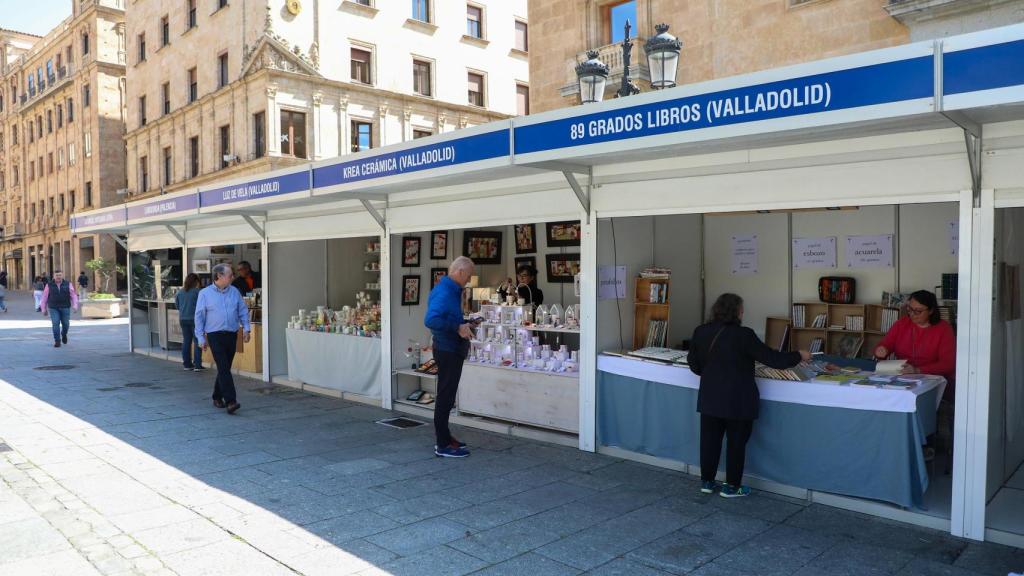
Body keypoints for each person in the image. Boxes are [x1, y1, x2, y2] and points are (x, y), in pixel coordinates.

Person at [688, 293, 810, 498]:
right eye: (741, 309)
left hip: (710, 396)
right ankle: (731, 487)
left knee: (709, 441)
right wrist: (799, 355)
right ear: (736, 312)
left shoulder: (701, 331)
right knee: (736, 444)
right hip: (738, 399)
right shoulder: (744, 335)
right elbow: (774, 359)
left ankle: (707, 482)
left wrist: (712, 375)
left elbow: (694, 364)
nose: (743, 312)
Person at [424, 256, 476, 458]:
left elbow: (447, 316)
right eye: (469, 275)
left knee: (447, 395)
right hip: (447, 349)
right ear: (460, 272)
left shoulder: (449, 290)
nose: (469, 280)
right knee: (445, 396)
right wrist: (457, 327)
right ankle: (442, 444)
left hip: (449, 347)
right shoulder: (445, 292)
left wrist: (464, 323)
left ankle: (445, 437)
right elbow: (431, 319)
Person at [874, 290, 956, 399]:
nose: (912, 314)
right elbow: (886, 343)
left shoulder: (944, 329)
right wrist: (882, 349)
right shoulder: (902, 323)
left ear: (931, 310)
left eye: (918, 311)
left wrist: (917, 370)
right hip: (902, 378)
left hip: (933, 381)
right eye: (910, 309)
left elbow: (948, 364)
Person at [195, 263, 251, 414]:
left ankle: (216, 396)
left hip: (232, 334)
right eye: (230, 275)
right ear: (219, 276)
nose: (233, 277)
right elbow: (199, 316)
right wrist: (200, 337)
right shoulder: (205, 294)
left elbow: (242, 310)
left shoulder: (235, 291)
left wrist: (246, 328)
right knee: (224, 367)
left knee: (224, 367)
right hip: (214, 335)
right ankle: (231, 401)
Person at [40, 271, 79, 348]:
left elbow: (73, 296)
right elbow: (44, 297)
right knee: (55, 323)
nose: (58, 277)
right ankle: (57, 340)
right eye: (57, 275)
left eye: (60, 275)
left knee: (66, 324)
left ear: (62, 276)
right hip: (53, 307)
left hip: (65, 307)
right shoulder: (49, 285)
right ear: (54, 276)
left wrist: (75, 305)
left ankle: (64, 334)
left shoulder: (68, 284)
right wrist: (43, 309)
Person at [175, 273, 204, 372]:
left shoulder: (180, 292)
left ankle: (187, 364)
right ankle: (197, 365)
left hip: (183, 319)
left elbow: (177, 306)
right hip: (195, 319)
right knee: (197, 341)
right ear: (196, 282)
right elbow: (202, 307)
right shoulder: (198, 292)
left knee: (186, 341)